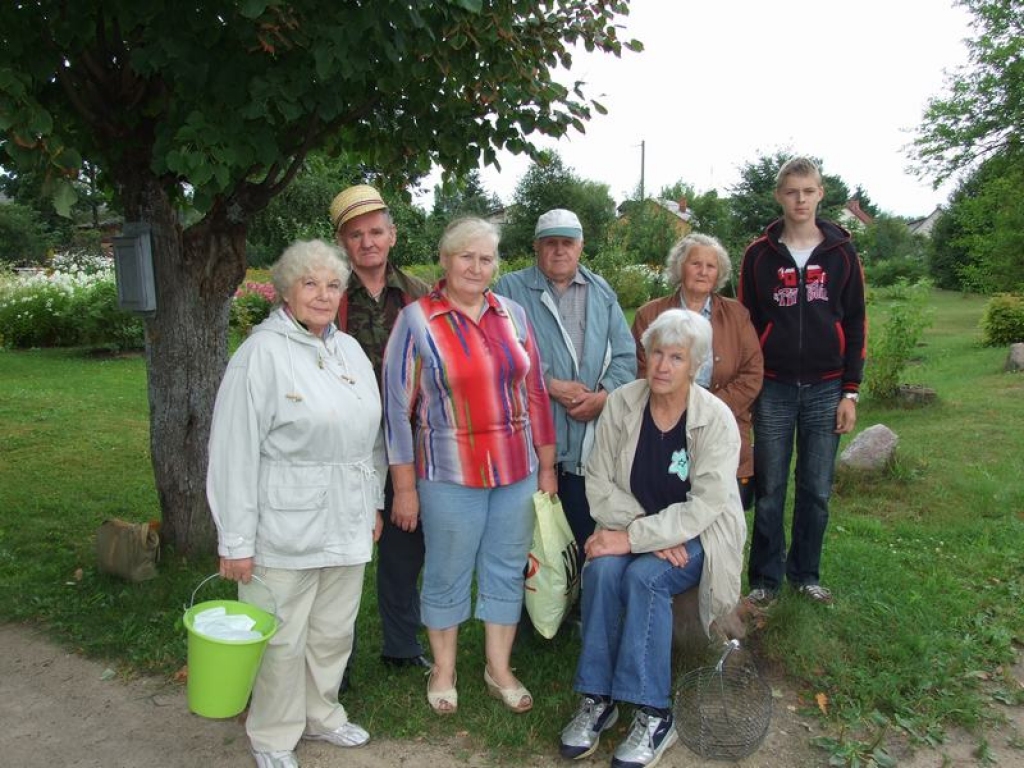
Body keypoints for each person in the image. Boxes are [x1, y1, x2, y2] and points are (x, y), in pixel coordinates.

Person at [207, 239, 385, 768]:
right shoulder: (260, 354)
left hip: (348, 517)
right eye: (310, 283)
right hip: (283, 526)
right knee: (280, 638)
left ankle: (322, 715)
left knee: (333, 631)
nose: (323, 295)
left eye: (332, 284)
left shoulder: (348, 350)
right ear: (286, 290)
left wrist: (373, 502)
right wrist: (235, 540)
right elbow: (232, 451)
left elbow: (371, 437)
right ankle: (273, 735)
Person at [382, 217, 557, 716]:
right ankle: (443, 668)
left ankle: (497, 668)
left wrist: (546, 466)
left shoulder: (515, 315)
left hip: (516, 470)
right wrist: (404, 487)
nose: (476, 267)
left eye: (486, 259)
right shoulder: (417, 320)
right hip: (449, 473)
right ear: (445, 259)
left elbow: (537, 392)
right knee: (447, 570)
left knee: (506, 567)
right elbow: (397, 408)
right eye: (466, 257)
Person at [558, 309, 746, 768]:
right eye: (656, 353)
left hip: (702, 535)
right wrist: (643, 534)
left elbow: (705, 506)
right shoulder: (623, 403)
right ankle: (597, 698)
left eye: (676, 357)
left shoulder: (715, 419)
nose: (662, 366)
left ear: (695, 364)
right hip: (637, 527)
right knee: (601, 569)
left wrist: (635, 539)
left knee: (645, 577)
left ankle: (654, 712)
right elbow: (598, 484)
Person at [739, 156, 867, 606]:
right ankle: (765, 579)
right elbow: (746, 327)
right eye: (791, 191)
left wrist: (850, 391)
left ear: (820, 194)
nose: (800, 199)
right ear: (779, 195)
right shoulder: (758, 255)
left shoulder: (841, 253)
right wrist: (750, 386)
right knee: (770, 486)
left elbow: (855, 323)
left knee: (815, 489)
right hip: (772, 388)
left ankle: (805, 574)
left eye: (808, 191)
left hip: (826, 387)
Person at [328, 184, 432, 674]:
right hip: (344, 444)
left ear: (392, 235)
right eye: (355, 235)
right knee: (339, 556)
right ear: (343, 243)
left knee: (402, 548)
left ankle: (401, 645)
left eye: (375, 231)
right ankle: (333, 661)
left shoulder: (418, 296)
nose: (367, 242)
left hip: (405, 442)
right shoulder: (327, 295)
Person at [493, 208, 636, 562]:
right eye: (550, 243)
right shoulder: (509, 289)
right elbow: (495, 353)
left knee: (581, 528)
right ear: (536, 248)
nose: (559, 251)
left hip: (585, 442)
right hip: (527, 439)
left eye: (567, 243)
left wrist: (603, 396)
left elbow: (625, 355)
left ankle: (577, 609)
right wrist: (548, 385)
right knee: (530, 539)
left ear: (581, 246)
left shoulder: (601, 291)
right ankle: (531, 615)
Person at [631, 233, 763, 508]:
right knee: (665, 507)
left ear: (719, 273)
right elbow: (642, 371)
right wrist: (679, 411)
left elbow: (752, 374)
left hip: (721, 424)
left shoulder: (737, 315)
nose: (703, 271)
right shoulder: (649, 315)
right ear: (680, 267)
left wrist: (708, 409)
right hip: (664, 426)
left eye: (710, 266)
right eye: (695, 263)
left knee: (717, 513)